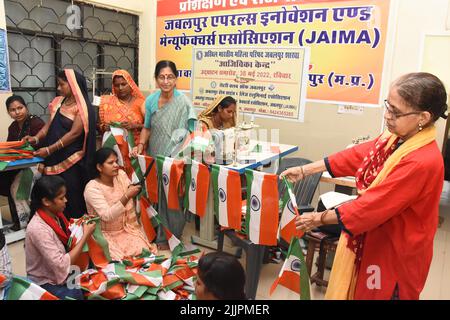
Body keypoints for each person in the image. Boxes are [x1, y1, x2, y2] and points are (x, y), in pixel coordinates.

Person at [281, 72, 448, 300]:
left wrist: (317, 218)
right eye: (388, 106)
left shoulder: (422, 161)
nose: (388, 116)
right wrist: (305, 170)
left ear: (423, 117)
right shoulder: (395, 139)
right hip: (376, 240)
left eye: (396, 112)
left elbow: (372, 207)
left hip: (396, 253)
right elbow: (360, 154)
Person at [131, 60, 197, 249]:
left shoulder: (183, 102)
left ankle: (173, 236)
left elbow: (192, 133)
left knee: (172, 199)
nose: (166, 81)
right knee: (154, 195)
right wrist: (140, 145)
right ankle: (158, 235)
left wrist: (180, 156)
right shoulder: (151, 100)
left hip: (175, 160)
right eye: (162, 77)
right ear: (156, 79)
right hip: (154, 155)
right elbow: (147, 128)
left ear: (176, 79)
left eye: (170, 77)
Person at [23, 69, 97, 219]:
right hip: (53, 157)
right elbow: (48, 126)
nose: (58, 88)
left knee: (71, 195)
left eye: (62, 85)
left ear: (73, 85)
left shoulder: (82, 107)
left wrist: (49, 150)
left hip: (72, 160)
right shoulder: (58, 102)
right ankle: (57, 227)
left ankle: (75, 230)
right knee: (53, 196)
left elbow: (74, 134)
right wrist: (36, 138)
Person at [25, 175, 96, 300]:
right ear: (46, 201)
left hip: (63, 272)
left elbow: (68, 234)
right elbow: (61, 265)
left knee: (92, 277)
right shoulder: (38, 228)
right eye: (61, 198)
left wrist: (81, 224)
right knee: (76, 294)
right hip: (46, 281)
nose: (66, 201)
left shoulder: (56, 215)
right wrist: (85, 235)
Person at [84, 148, 157, 261]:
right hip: (105, 234)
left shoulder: (121, 175)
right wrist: (127, 196)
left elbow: (130, 192)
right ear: (99, 167)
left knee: (143, 253)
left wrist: (133, 191)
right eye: (110, 163)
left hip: (126, 228)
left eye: (116, 161)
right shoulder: (92, 188)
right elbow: (107, 216)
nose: (116, 165)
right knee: (119, 260)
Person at [0, 95, 45, 197]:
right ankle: (17, 212)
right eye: (12, 110)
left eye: (20, 108)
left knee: (17, 189)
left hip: (36, 165)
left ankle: (26, 213)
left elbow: (46, 146)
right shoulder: (12, 127)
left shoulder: (36, 123)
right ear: (8, 113)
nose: (17, 112)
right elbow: (10, 147)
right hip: (18, 164)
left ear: (26, 108)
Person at [98, 69, 146, 145]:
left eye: (123, 84)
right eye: (117, 85)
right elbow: (98, 126)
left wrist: (135, 125)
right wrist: (104, 127)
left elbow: (150, 126)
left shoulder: (141, 103)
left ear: (130, 84)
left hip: (135, 148)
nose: (120, 88)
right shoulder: (107, 102)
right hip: (112, 148)